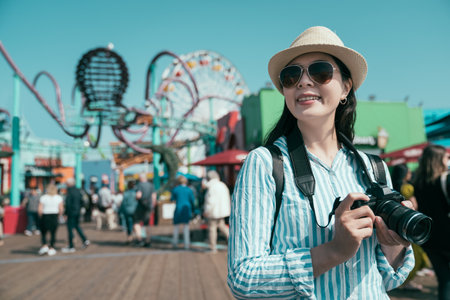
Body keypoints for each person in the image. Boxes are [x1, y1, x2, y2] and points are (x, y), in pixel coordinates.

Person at [227, 26, 415, 299]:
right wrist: (333, 251)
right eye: (291, 76)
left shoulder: (374, 168)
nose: (303, 82)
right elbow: (243, 278)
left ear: (345, 88)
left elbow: (385, 279)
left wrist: (393, 244)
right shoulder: (265, 164)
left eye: (320, 71)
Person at [413, 145, 450, 300]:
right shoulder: (446, 179)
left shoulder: (417, 181)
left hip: (429, 236)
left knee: (444, 280)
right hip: (447, 235)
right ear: (439, 159)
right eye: (446, 157)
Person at [392, 164, 431, 291]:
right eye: (408, 172)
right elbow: (414, 205)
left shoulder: (391, 186)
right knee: (414, 254)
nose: (410, 174)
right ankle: (406, 281)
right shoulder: (407, 187)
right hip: (410, 223)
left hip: (395, 223)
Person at [203, 170, 230, 253]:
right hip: (223, 211)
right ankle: (232, 241)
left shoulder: (212, 187)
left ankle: (213, 247)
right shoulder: (222, 185)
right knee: (222, 226)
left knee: (212, 229)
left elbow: (210, 202)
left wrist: (206, 211)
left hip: (214, 212)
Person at [61, 178, 90, 253]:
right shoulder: (79, 190)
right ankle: (85, 240)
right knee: (77, 226)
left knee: (70, 229)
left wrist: (65, 214)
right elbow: (83, 200)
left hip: (71, 212)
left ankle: (71, 246)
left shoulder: (69, 191)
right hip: (78, 212)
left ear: (69, 184)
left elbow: (67, 203)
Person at [38, 183, 64, 256]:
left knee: (44, 233)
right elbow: (61, 209)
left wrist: (41, 216)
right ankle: (52, 248)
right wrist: (59, 216)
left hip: (45, 215)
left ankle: (44, 246)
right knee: (53, 233)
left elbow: (40, 209)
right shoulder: (58, 197)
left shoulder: (43, 197)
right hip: (54, 215)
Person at [171, 175, 195, 250]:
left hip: (178, 208)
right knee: (186, 227)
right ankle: (187, 244)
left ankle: (175, 243)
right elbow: (192, 201)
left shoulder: (175, 189)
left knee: (176, 227)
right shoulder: (189, 190)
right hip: (186, 209)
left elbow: (172, 199)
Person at [133, 173, 156, 247]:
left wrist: (135, 198)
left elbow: (138, 195)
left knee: (136, 223)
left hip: (140, 206)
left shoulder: (139, 185)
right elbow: (154, 197)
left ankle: (139, 240)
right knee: (147, 224)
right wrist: (152, 206)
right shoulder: (151, 185)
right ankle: (148, 240)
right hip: (148, 207)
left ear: (140, 178)